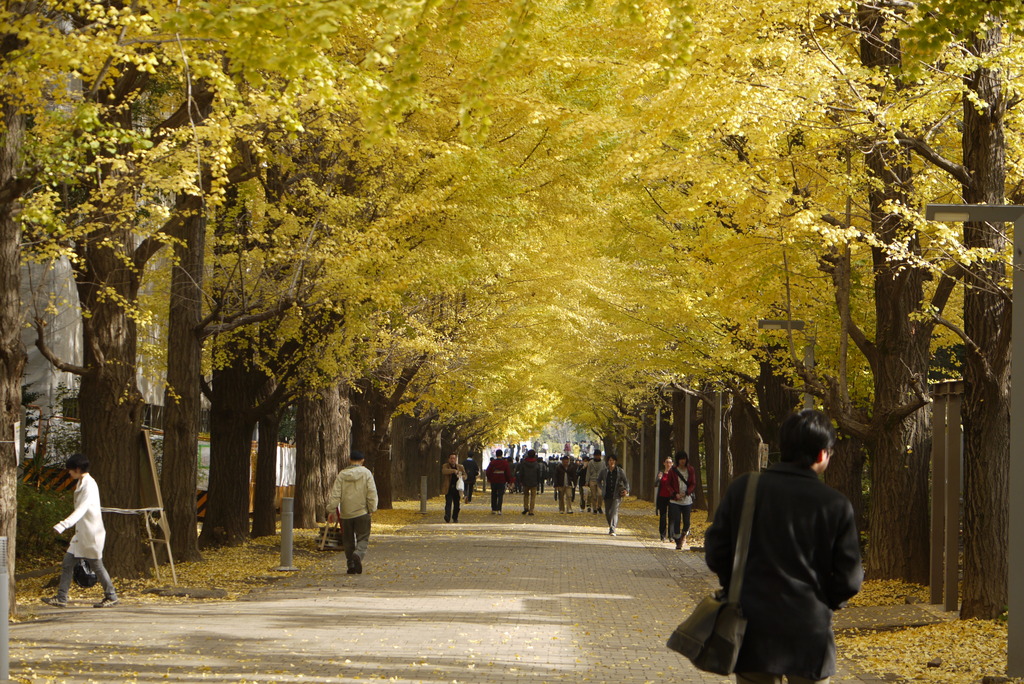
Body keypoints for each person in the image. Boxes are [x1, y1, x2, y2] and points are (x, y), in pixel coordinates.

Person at [704, 409, 863, 684]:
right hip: (810, 631)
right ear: (823, 454)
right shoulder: (834, 504)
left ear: (784, 446)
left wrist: (736, 586)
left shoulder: (745, 488)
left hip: (753, 628)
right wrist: (825, 602)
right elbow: (850, 579)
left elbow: (716, 551)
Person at [44, 453, 119, 608]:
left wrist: (63, 525)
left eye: (70, 470)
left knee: (97, 566)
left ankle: (111, 596)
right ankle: (61, 597)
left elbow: (81, 509)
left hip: (91, 534)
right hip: (82, 534)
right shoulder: (82, 482)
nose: (69, 473)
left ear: (77, 469)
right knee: (67, 564)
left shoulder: (89, 485)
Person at [327, 450, 379, 574]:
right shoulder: (366, 473)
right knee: (363, 538)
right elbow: (371, 492)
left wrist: (331, 510)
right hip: (362, 512)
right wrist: (372, 508)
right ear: (362, 461)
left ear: (349, 460)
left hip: (346, 514)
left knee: (348, 540)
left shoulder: (342, 475)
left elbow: (335, 494)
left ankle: (350, 564)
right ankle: (358, 554)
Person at [668, 451, 696, 550]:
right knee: (676, 520)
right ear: (678, 460)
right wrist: (675, 494)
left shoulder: (690, 470)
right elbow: (669, 484)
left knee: (687, 522)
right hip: (675, 500)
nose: (682, 461)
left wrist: (687, 492)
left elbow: (693, 483)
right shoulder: (673, 471)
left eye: (684, 459)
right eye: (680, 459)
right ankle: (677, 540)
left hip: (687, 500)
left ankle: (684, 535)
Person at [597, 454, 628, 535]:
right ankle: (611, 526)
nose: (612, 462)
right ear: (608, 461)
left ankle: (612, 529)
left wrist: (626, 490)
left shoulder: (620, 471)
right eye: (610, 460)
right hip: (607, 494)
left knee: (614, 511)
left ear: (615, 461)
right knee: (608, 513)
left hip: (616, 495)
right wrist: (602, 487)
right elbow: (598, 480)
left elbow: (626, 481)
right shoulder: (604, 471)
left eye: (613, 460)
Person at [654, 455, 676, 542]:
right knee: (663, 516)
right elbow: (655, 484)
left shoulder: (674, 474)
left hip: (671, 498)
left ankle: (671, 536)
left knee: (672, 517)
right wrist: (659, 479)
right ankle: (662, 535)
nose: (668, 464)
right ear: (664, 463)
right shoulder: (661, 473)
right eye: (667, 462)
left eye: (670, 462)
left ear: (672, 464)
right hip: (662, 497)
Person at [486, 449, 513, 514]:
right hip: (502, 480)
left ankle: (493, 508)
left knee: (494, 494)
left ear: (496, 454)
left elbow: (488, 471)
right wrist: (509, 481)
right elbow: (507, 473)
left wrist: (490, 478)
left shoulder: (493, 462)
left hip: (494, 480)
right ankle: (499, 509)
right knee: (500, 495)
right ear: (502, 454)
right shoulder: (505, 463)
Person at [441, 453, 466, 523]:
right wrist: (453, 471)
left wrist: (461, 476)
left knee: (457, 504)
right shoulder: (445, 466)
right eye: (451, 458)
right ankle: (447, 516)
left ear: (456, 459)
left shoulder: (460, 467)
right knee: (448, 503)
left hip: (457, 489)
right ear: (449, 459)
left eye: (454, 458)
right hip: (449, 488)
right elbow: (444, 471)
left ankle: (455, 517)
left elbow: (465, 476)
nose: (452, 460)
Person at [519, 449, 542, 515]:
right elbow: (538, 473)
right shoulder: (536, 463)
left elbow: (521, 472)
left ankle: (526, 507)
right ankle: (531, 510)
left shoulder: (524, 463)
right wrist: (538, 481)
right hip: (534, 481)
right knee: (533, 496)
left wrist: (521, 480)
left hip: (525, 481)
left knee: (526, 495)